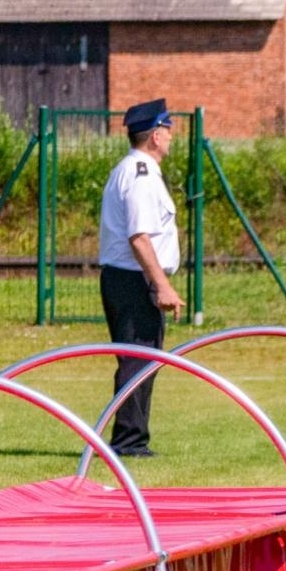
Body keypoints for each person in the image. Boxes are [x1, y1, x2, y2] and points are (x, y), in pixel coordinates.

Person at [98, 98, 183, 458]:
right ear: (155, 136)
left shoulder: (136, 171)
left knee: (143, 359)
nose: (171, 139)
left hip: (131, 278)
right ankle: (128, 442)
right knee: (138, 360)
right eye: (167, 131)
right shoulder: (141, 175)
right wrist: (161, 284)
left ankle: (132, 439)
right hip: (134, 280)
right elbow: (140, 236)